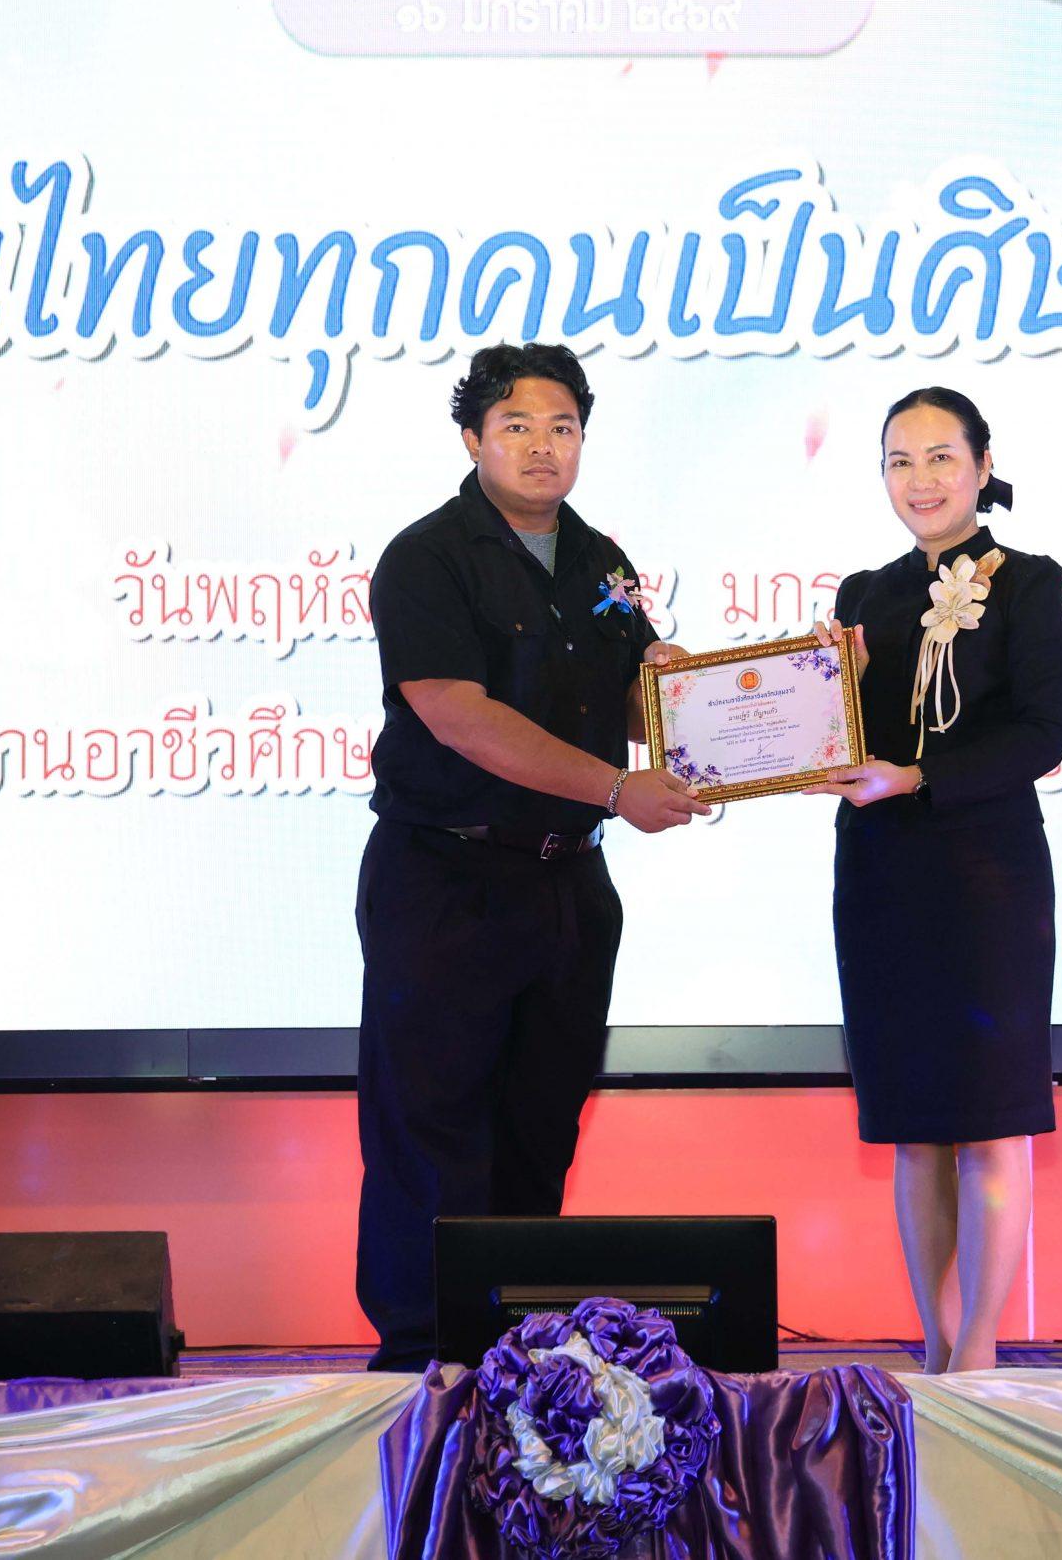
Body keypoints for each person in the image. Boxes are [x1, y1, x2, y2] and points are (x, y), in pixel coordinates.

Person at [357, 341, 709, 1371]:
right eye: (516, 426)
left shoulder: (599, 559)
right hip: (448, 881)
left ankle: (520, 1356)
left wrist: (727, 691)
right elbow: (459, 716)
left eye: (563, 427)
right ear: (473, 438)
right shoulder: (426, 558)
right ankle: (423, 1365)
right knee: (431, 1130)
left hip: (568, 887)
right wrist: (616, 787)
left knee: (540, 1124)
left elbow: (642, 696)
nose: (542, 446)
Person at [805, 386, 1062, 1374]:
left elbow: (1040, 735)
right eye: (898, 460)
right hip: (882, 879)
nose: (918, 479)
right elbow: (838, 738)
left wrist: (916, 776)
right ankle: (936, 1343)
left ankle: (980, 1354)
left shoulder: (1030, 583)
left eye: (939, 457)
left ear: (981, 464)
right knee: (915, 1129)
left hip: (988, 879)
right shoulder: (862, 595)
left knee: (992, 1124)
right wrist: (809, 703)